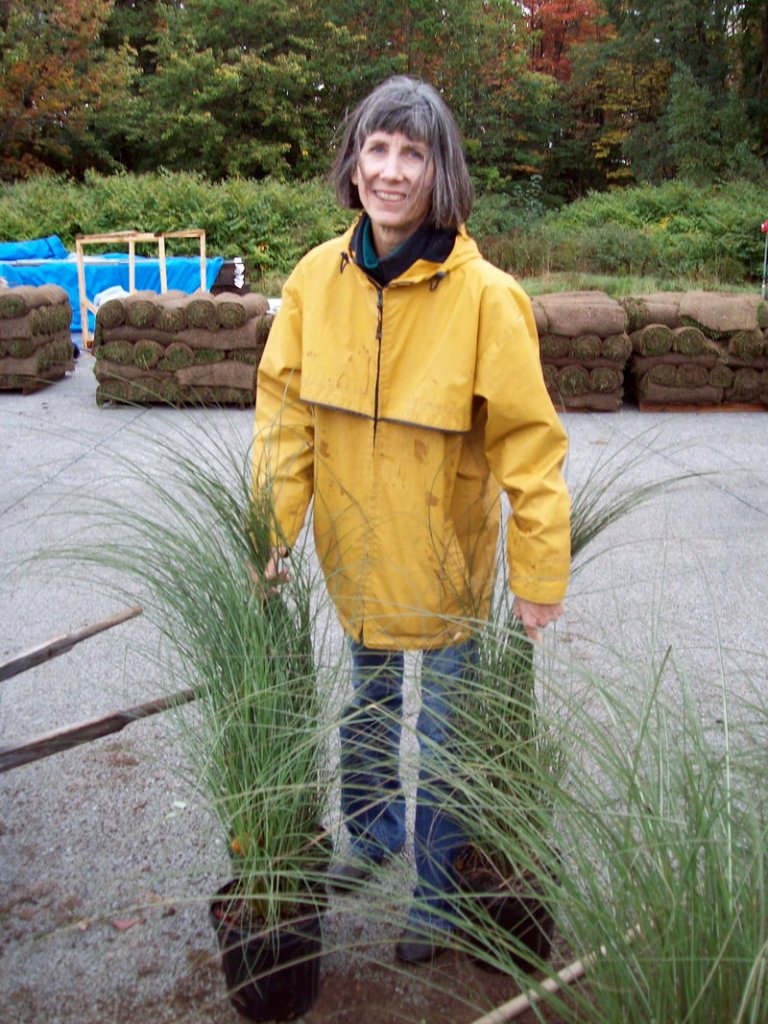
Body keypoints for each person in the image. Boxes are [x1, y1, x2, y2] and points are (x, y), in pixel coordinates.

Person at [252, 75, 571, 964]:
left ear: (441, 173)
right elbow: (284, 419)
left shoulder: (487, 298)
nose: (391, 172)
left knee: (443, 739)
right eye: (377, 150)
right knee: (366, 708)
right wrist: (270, 531)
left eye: (412, 154)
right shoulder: (317, 281)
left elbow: (530, 447)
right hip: (354, 564)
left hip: (446, 574)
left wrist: (540, 577)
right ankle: (375, 835)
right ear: (354, 165)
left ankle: (434, 898)